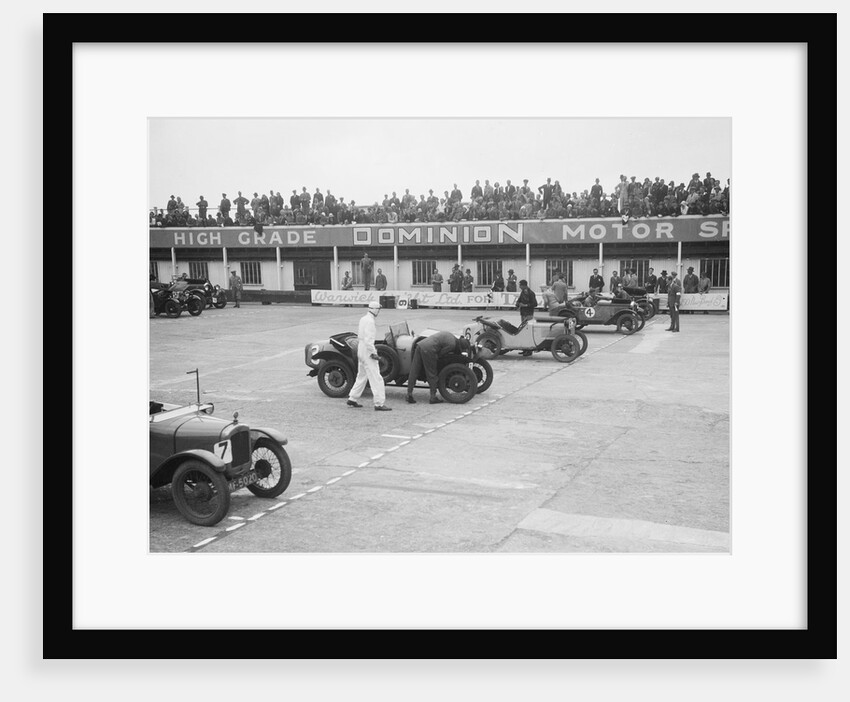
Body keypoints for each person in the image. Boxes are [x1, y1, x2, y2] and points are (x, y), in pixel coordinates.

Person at [347, 301, 391, 411]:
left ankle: (353, 397)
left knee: (362, 375)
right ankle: (379, 403)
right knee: (376, 378)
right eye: (378, 310)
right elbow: (369, 340)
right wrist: (374, 353)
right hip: (367, 351)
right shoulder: (370, 322)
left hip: (361, 349)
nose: (379, 312)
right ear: (375, 310)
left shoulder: (363, 319)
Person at [406, 331, 467, 405]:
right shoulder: (452, 345)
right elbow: (441, 354)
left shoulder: (451, 336)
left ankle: (409, 394)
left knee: (414, 370)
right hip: (429, 349)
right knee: (432, 373)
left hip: (420, 345)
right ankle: (433, 397)